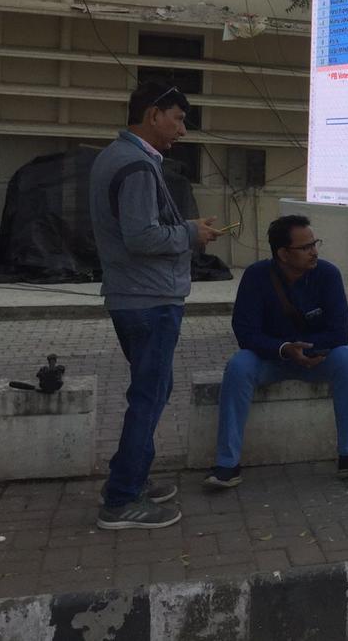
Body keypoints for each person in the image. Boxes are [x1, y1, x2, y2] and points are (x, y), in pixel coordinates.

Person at [90, 82, 221, 530]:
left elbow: (142, 225)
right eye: (178, 119)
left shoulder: (118, 156)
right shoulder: (136, 165)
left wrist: (186, 226)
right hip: (149, 298)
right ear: (152, 115)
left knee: (153, 390)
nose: (182, 130)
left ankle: (131, 479)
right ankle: (122, 500)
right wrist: (191, 235)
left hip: (136, 296)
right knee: (149, 395)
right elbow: (142, 237)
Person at [205, 214, 348, 488]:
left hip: (316, 358)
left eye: (315, 244)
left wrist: (310, 350)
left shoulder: (328, 274)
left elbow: (340, 332)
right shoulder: (256, 276)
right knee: (238, 365)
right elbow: (245, 332)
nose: (314, 251)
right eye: (305, 247)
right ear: (282, 253)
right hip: (270, 358)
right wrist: (284, 349)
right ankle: (227, 464)